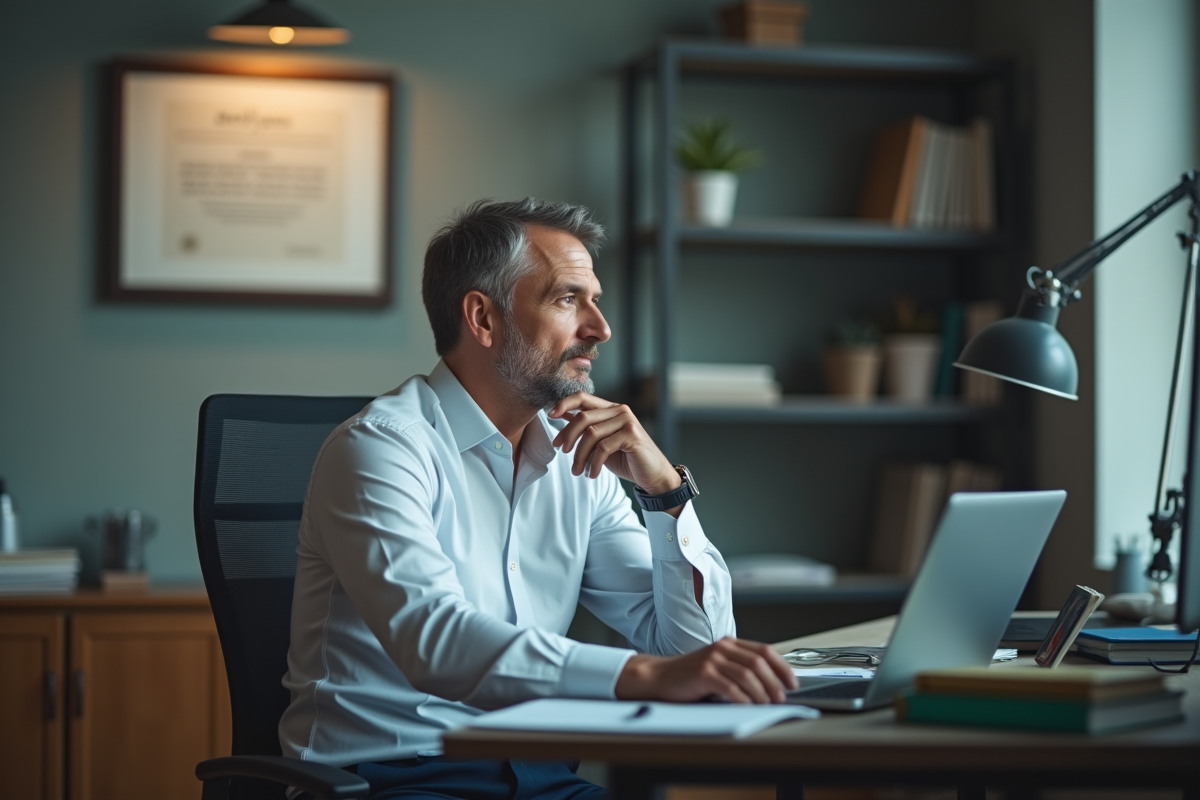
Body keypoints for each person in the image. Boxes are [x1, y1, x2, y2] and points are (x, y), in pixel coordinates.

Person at [280, 198, 796, 799]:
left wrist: (663, 492)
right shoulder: (379, 450)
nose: (600, 328)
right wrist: (645, 676)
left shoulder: (579, 459)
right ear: (483, 317)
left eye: (595, 301)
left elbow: (696, 652)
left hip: (543, 778)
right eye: (568, 299)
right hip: (394, 778)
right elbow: (434, 641)